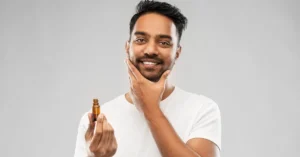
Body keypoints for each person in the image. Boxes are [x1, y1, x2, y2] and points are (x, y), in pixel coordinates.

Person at [74, 0, 221, 156]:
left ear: (177, 52)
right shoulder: (96, 122)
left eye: (164, 42)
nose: (150, 50)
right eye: (140, 40)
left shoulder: (202, 109)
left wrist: (150, 109)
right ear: (127, 47)